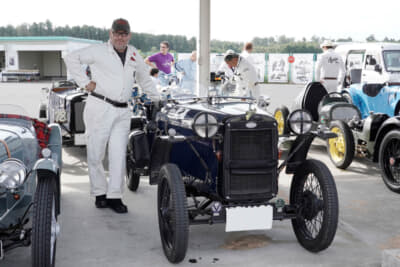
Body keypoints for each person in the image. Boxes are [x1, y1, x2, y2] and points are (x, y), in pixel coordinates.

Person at [64, 18, 160, 214]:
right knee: (96, 153)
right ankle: (99, 193)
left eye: (124, 34)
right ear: (111, 33)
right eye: (117, 33)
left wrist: (157, 98)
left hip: (123, 111)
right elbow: (71, 58)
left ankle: (115, 196)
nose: (120, 37)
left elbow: (144, 78)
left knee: (118, 155)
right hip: (101, 107)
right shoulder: (99, 51)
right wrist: (84, 82)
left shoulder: (133, 54)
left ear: (129, 35)